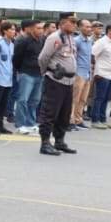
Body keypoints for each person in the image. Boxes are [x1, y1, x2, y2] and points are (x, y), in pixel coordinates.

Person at [37, 12, 80, 156]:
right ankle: (45, 143)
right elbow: (43, 58)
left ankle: (59, 141)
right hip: (55, 80)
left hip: (68, 81)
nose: (74, 25)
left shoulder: (70, 38)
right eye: (71, 22)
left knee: (64, 113)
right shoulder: (55, 37)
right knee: (50, 112)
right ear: (62, 23)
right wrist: (47, 72)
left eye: (75, 22)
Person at [10, 19, 44, 135]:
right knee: (22, 100)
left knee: (34, 100)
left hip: (39, 74)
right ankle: (20, 124)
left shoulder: (41, 41)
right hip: (26, 73)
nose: (41, 30)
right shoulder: (24, 41)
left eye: (42, 28)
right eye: (38, 28)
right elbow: (16, 58)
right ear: (31, 29)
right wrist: (20, 70)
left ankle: (31, 123)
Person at [90, 23, 111, 128]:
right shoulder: (101, 42)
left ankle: (103, 119)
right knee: (99, 97)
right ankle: (95, 120)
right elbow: (92, 55)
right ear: (110, 31)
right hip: (102, 73)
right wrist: (96, 70)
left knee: (107, 98)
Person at [69, 19, 94, 130]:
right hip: (79, 72)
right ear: (80, 28)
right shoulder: (76, 41)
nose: (89, 29)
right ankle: (70, 120)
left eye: (90, 27)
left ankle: (78, 119)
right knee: (75, 98)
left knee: (83, 99)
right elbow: (73, 57)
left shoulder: (89, 41)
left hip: (87, 73)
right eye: (87, 27)